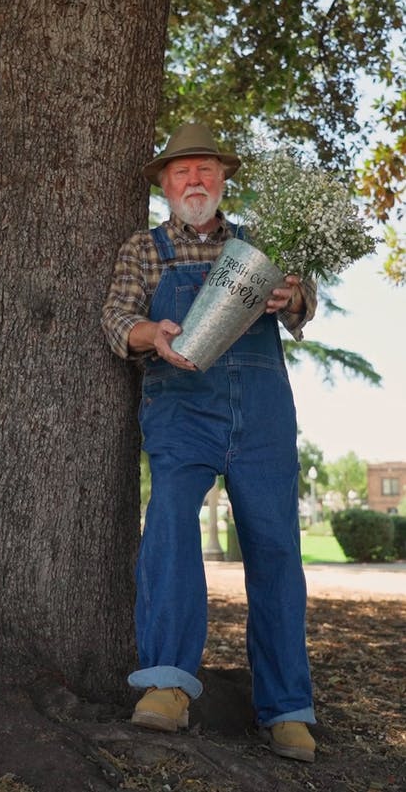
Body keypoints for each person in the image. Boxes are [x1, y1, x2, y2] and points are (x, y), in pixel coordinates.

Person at [101, 123, 318, 763]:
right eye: (180, 172)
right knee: (168, 522)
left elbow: (304, 310)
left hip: (263, 416)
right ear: (165, 185)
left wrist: (292, 296)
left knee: (277, 548)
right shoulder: (145, 249)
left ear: (223, 180)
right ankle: (166, 684)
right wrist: (152, 333)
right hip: (180, 407)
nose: (193, 181)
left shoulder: (259, 244)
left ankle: (287, 710)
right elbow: (116, 318)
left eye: (204, 170)